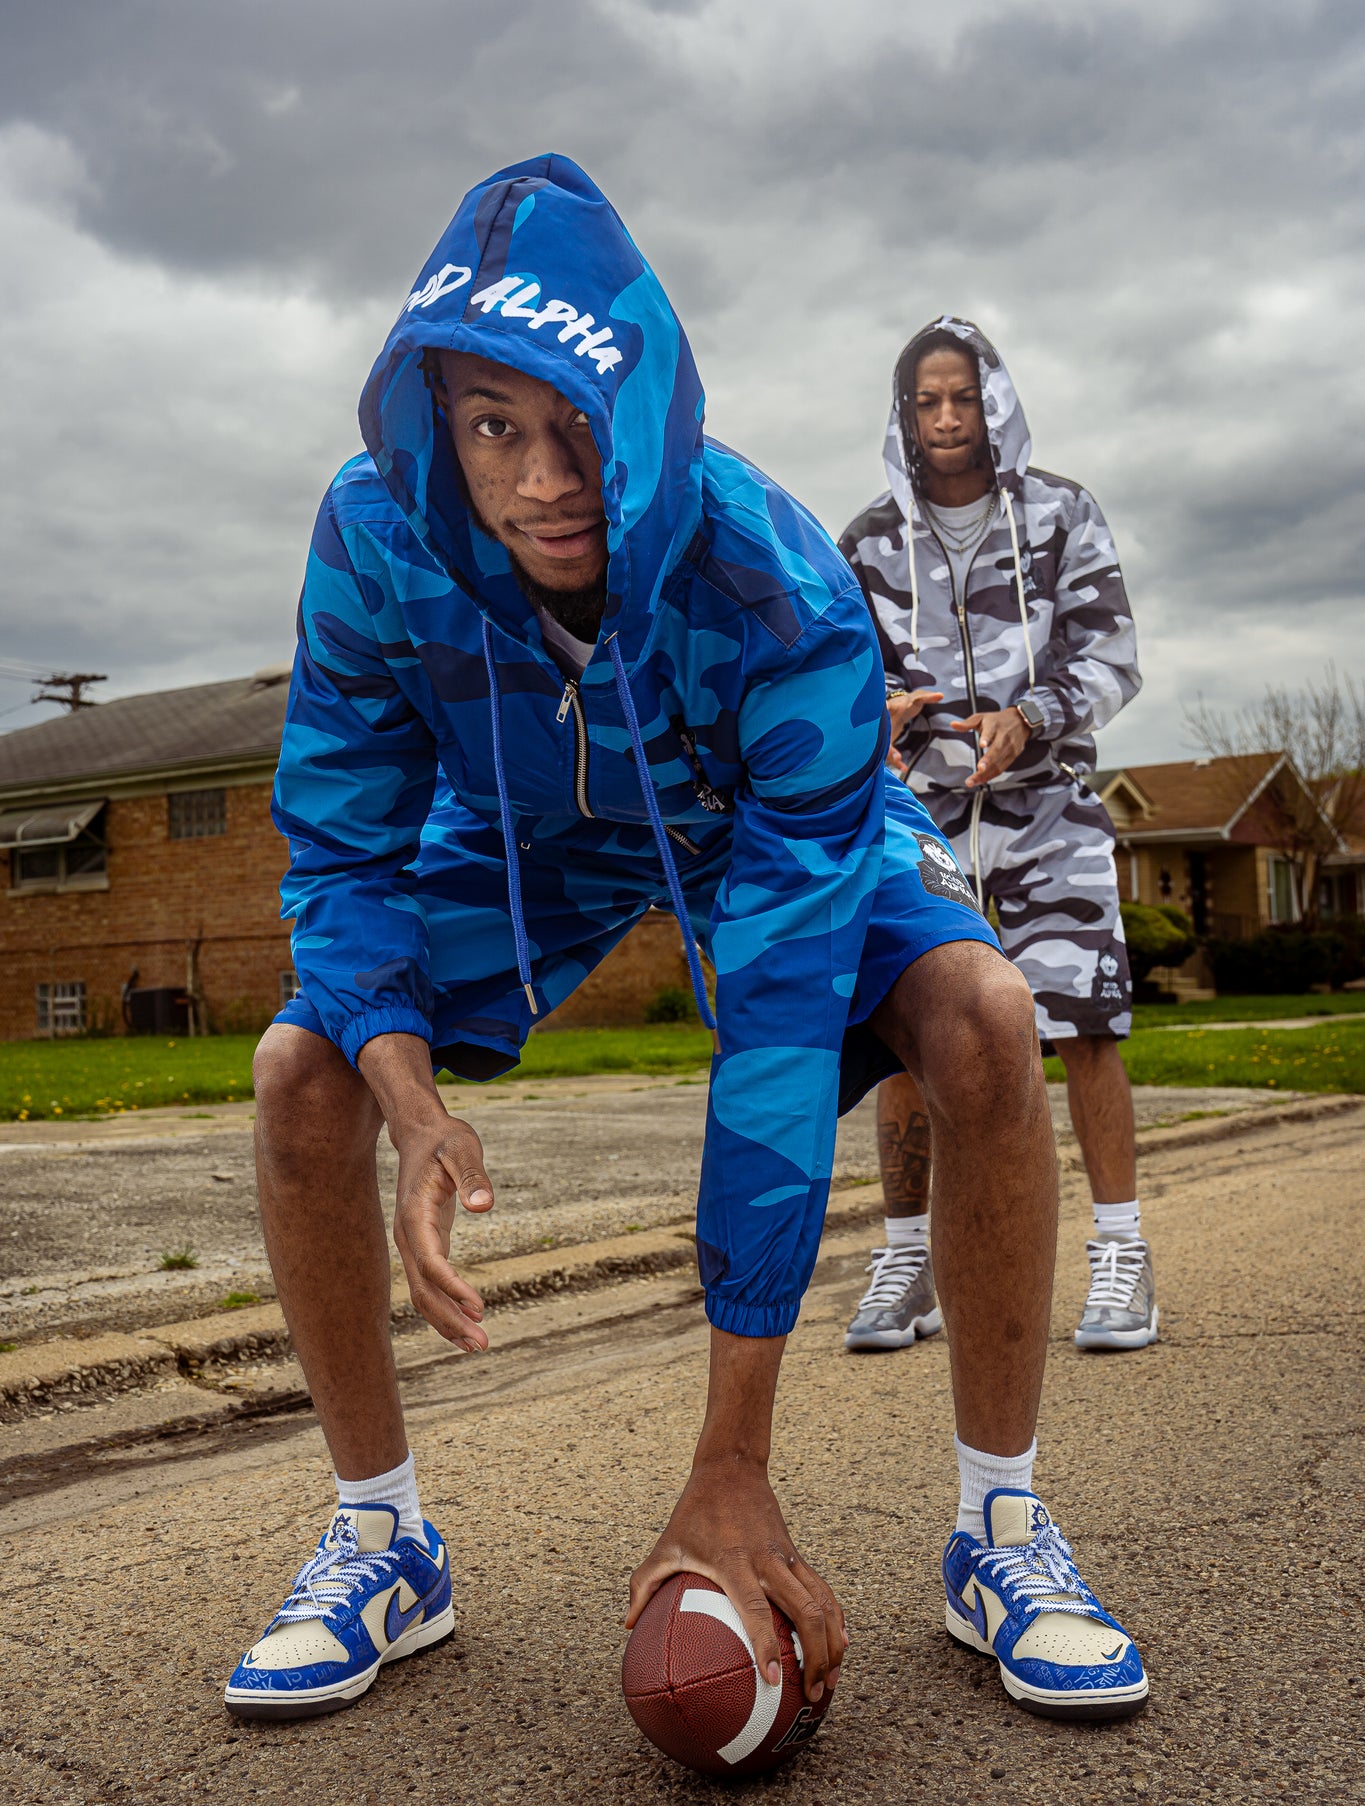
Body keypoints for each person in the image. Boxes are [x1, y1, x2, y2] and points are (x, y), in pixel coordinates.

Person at [223, 166, 1148, 1729]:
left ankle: (1000, 1525)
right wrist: (413, 1099)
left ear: (642, 399)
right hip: (538, 835)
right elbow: (343, 845)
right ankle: (385, 1540)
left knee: (985, 1013)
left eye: (578, 416)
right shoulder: (377, 538)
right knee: (302, 1067)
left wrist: (733, 1469)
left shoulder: (775, 581)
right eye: (492, 425)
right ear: (436, 422)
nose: (544, 476)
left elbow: (778, 1022)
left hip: (760, 823)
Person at [838, 317, 1151, 1359]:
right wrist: (868, 714)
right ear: (902, 414)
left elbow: (1111, 655)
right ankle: (906, 1259)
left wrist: (1034, 712)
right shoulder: (867, 543)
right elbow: (841, 672)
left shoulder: (1060, 515)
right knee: (900, 1034)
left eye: (960, 398)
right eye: (923, 401)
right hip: (919, 818)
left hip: (1044, 806)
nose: (943, 419)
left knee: (1082, 1023)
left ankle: (1120, 1254)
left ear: (993, 404)